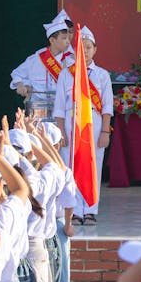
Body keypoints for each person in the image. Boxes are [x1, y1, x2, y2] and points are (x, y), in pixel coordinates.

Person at [53, 26, 114, 225]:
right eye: (82, 47)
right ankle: (74, 210)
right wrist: (60, 130)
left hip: (94, 124)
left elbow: (107, 106)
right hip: (71, 124)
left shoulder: (102, 75)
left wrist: (105, 130)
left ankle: (90, 209)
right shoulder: (66, 74)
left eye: (89, 47)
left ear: (95, 49)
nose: (85, 51)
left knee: (93, 165)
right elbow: (60, 107)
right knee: (71, 166)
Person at [9, 10, 75, 113]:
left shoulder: (72, 61)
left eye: (69, 37)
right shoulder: (37, 58)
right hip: (38, 113)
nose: (68, 41)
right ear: (52, 40)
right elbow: (17, 74)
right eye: (64, 38)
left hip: (62, 113)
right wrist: (20, 85)